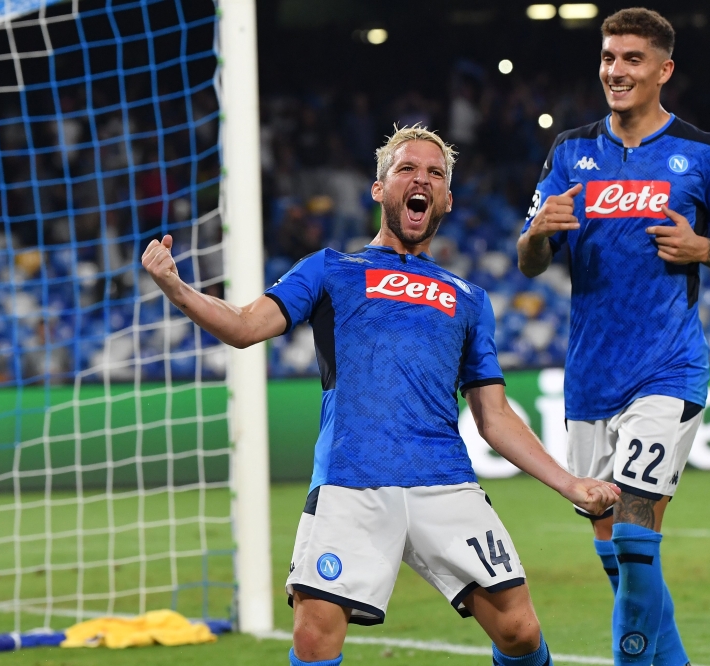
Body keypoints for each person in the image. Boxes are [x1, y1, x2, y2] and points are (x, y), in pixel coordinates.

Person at [142, 125, 620, 666]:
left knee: (520, 631)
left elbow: (494, 416)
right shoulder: (330, 269)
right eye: (406, 169)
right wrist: (176, 288)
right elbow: (244, 326)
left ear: (447, 199)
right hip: (352, 480)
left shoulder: (469, 298)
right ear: (378, 188)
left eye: (435, 173)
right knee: (313, 637)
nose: (422, 180)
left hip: (444, 481)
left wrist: (569, 483)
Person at [516, 8, 710, 666]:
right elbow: (530, 262)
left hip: (666, 366)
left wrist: (702, 247)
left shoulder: (703, 151)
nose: (615, 70)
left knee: (633, 528)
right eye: (608, 57)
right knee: (615, 548)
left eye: (631, 58)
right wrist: (538, 233)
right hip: (590, 376)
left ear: (664, 70)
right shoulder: (570, 151)